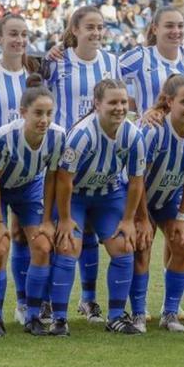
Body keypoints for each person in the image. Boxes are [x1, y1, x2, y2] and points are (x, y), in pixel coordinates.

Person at [50, 78, 146, 336]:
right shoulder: (82, 135)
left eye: (123, 102)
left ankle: (116, 316)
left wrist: (128, 220)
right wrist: (66, 218)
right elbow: (64, 181)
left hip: (108, 195)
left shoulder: (133, 135)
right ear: (97, 104)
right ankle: (59, 318)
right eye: (112, 102)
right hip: (77, 196)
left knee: (124, 244)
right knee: (69, 245)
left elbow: (136, 182)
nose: (119, 107)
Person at [44, 6, 120, 324]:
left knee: (88, 232)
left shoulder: (111, 62)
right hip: (63, 157)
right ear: (74, 29)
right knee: (59, 232)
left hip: (100, 157)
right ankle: (47, 301)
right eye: (90, 26)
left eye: (100, 27)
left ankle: (88, 301)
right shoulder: (58, 60)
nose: (96, 32)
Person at [0, 14, 41, 326]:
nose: (19, 40)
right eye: (13, 34)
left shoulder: (35, 73)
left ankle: (26, 305)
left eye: (24, 35)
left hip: (31, 174)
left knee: (29, 237)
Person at [0, 74, 66, 336]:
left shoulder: (57, 136)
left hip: (30, 189)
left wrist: (46, 220)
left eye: (49, 113)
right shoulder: (4, 137)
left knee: (43, 245)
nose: (44, 120)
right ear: (23, 112)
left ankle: (32, 315)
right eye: (38, 113)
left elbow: (53, 177)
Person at [137, 75, 184, 332]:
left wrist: (182, 217)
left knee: (183, 244)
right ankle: (137, 312)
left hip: (170, 198)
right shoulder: (152, 131)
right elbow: (136, 180)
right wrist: (140, 218)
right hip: (139, 199)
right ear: (169, 102)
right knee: (142, 244)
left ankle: (169, 313)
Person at [119, 7, 184, 114]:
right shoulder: (141, 56)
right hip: (151, 129)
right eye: (169, 26)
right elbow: (107, 78)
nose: (176, 31)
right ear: (155, 29)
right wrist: (132, 105)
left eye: (180, 26)